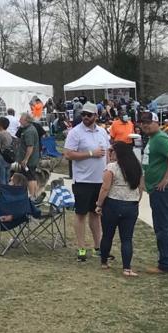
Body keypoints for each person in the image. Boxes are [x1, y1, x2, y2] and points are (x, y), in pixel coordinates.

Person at [138, 112, 168, 274]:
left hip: (164, 191)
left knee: (162, 227)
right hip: (161, 191)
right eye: (142, 122)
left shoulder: (159, 138)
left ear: (157, 123)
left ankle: (166, 264)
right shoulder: (154, 139)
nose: (145, 125)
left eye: (148, 122)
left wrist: (166, 177)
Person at [64, 103, 110, 262]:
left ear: (96, 116)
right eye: (83, 114)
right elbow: (68, 154)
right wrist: (91, 153)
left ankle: (99, 247)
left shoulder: (102, 132)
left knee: (96, 214)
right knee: (81, 214)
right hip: (83, 180)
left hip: (100, 180)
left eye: (89, 115)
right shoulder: (75, 133)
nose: (85, 117)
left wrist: (109, 171)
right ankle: (81, 247)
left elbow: (108, 153)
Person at [95, 142, 143, 277]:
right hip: (131, 205)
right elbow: (141, 187)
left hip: (113, 203)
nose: (110, 154)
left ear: (118, 153)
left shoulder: (112, 167)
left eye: (112, 151)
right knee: (127, 238)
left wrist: (99, 204)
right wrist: (136, 201)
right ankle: (127, 268)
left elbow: (105, 188)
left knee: (108, 235)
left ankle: (104, 262)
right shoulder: (136, 167)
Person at [0, 117, 14, 188]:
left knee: (1, 180)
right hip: (8, 158)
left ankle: (3, 195)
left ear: (0, 125)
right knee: (7, 179)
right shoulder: (8, 134)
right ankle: (7, 194)